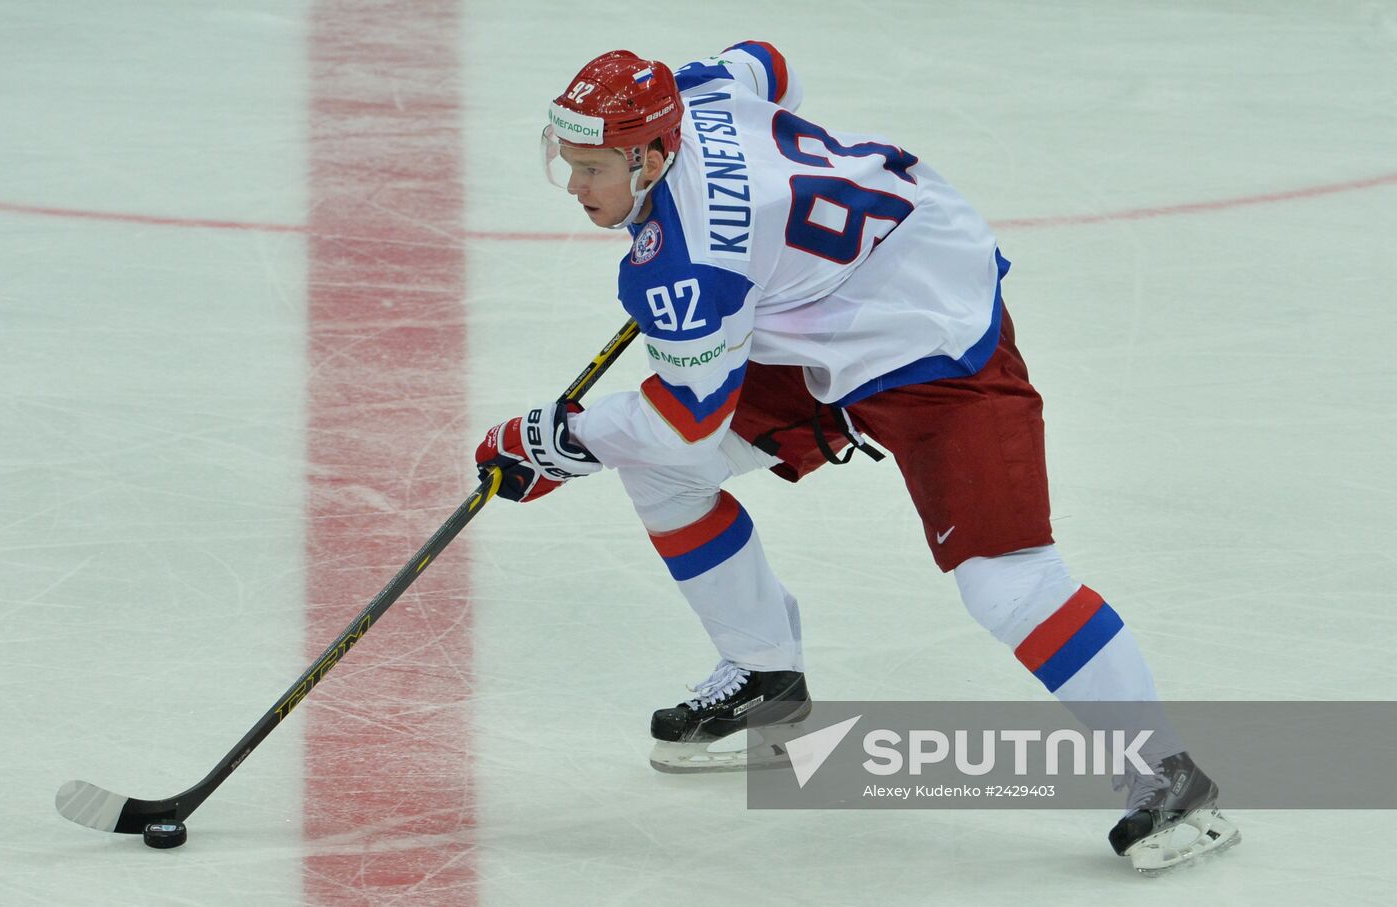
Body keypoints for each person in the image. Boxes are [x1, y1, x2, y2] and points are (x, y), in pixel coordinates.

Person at [474, 42, 1238, 873]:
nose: (577, 189)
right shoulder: (695, 89)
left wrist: (554, 440)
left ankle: (1168, 773)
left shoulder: (693, 264)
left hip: (936, 337)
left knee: (1005, 577)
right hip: (825, 312)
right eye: (568, 164)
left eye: (592, 170)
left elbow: (686, 419)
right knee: (661, 473)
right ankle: (766, 678)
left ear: (652, 154)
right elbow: (766, 60)